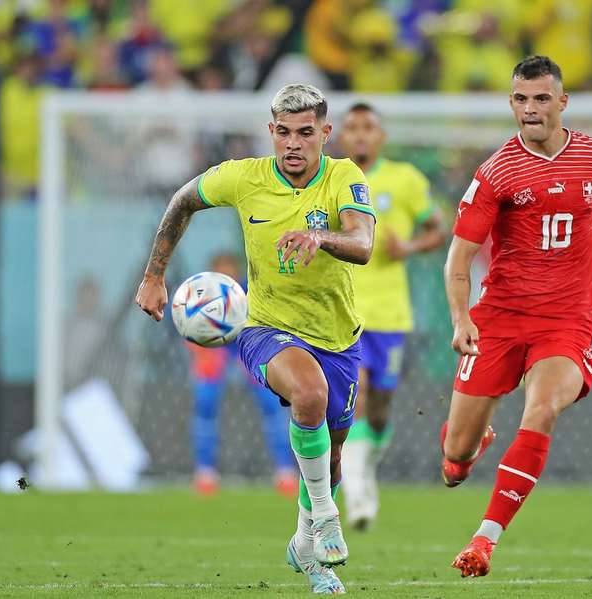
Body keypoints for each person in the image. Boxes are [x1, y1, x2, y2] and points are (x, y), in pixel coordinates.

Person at [135, 84, 376, 595]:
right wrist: (155, 275)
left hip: (337, 337)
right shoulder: (243, 177)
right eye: (283, 133)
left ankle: (305, 548)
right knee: (309, 396)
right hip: (264, 327)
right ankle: (328, 518)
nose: (293, 144)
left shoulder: (343, 177)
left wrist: (320, 237)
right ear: (271, 131)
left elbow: (362, 244)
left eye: (305, 133)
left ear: (324, 134)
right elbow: (183, 201)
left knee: (331, 455)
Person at [441, 55, 592, 578]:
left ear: (562, 103)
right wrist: (462, 320)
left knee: (543, 406)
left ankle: (484, 541)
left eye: (541, 98)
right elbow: (458, 261)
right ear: (511, 103)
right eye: (521, 99)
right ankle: (472, 443)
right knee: (453, 464)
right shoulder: (497, 173)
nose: (530, 109)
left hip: (565, 322)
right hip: (499, 320)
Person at [337, 102, 446, 530]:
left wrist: (410, 248)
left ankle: (366, 464)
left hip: (391, 315)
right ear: (340, 136)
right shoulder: (331, 179)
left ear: (382, 137)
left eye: (369, 128)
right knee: (356, 399)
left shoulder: (405, 180)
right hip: (343, 314)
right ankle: (360, 496)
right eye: (353, 128)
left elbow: (439, 228)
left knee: (379, 411)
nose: (361, 135)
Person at [187, 252, 298, 498]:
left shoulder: (250, 291)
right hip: (215, 350)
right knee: (205, 404)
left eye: (230, 271)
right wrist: (200, 349)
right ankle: (205, 472)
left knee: (273, 405)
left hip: (247, 349)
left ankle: (285, 472)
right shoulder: (200, 294)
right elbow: (189, 325)